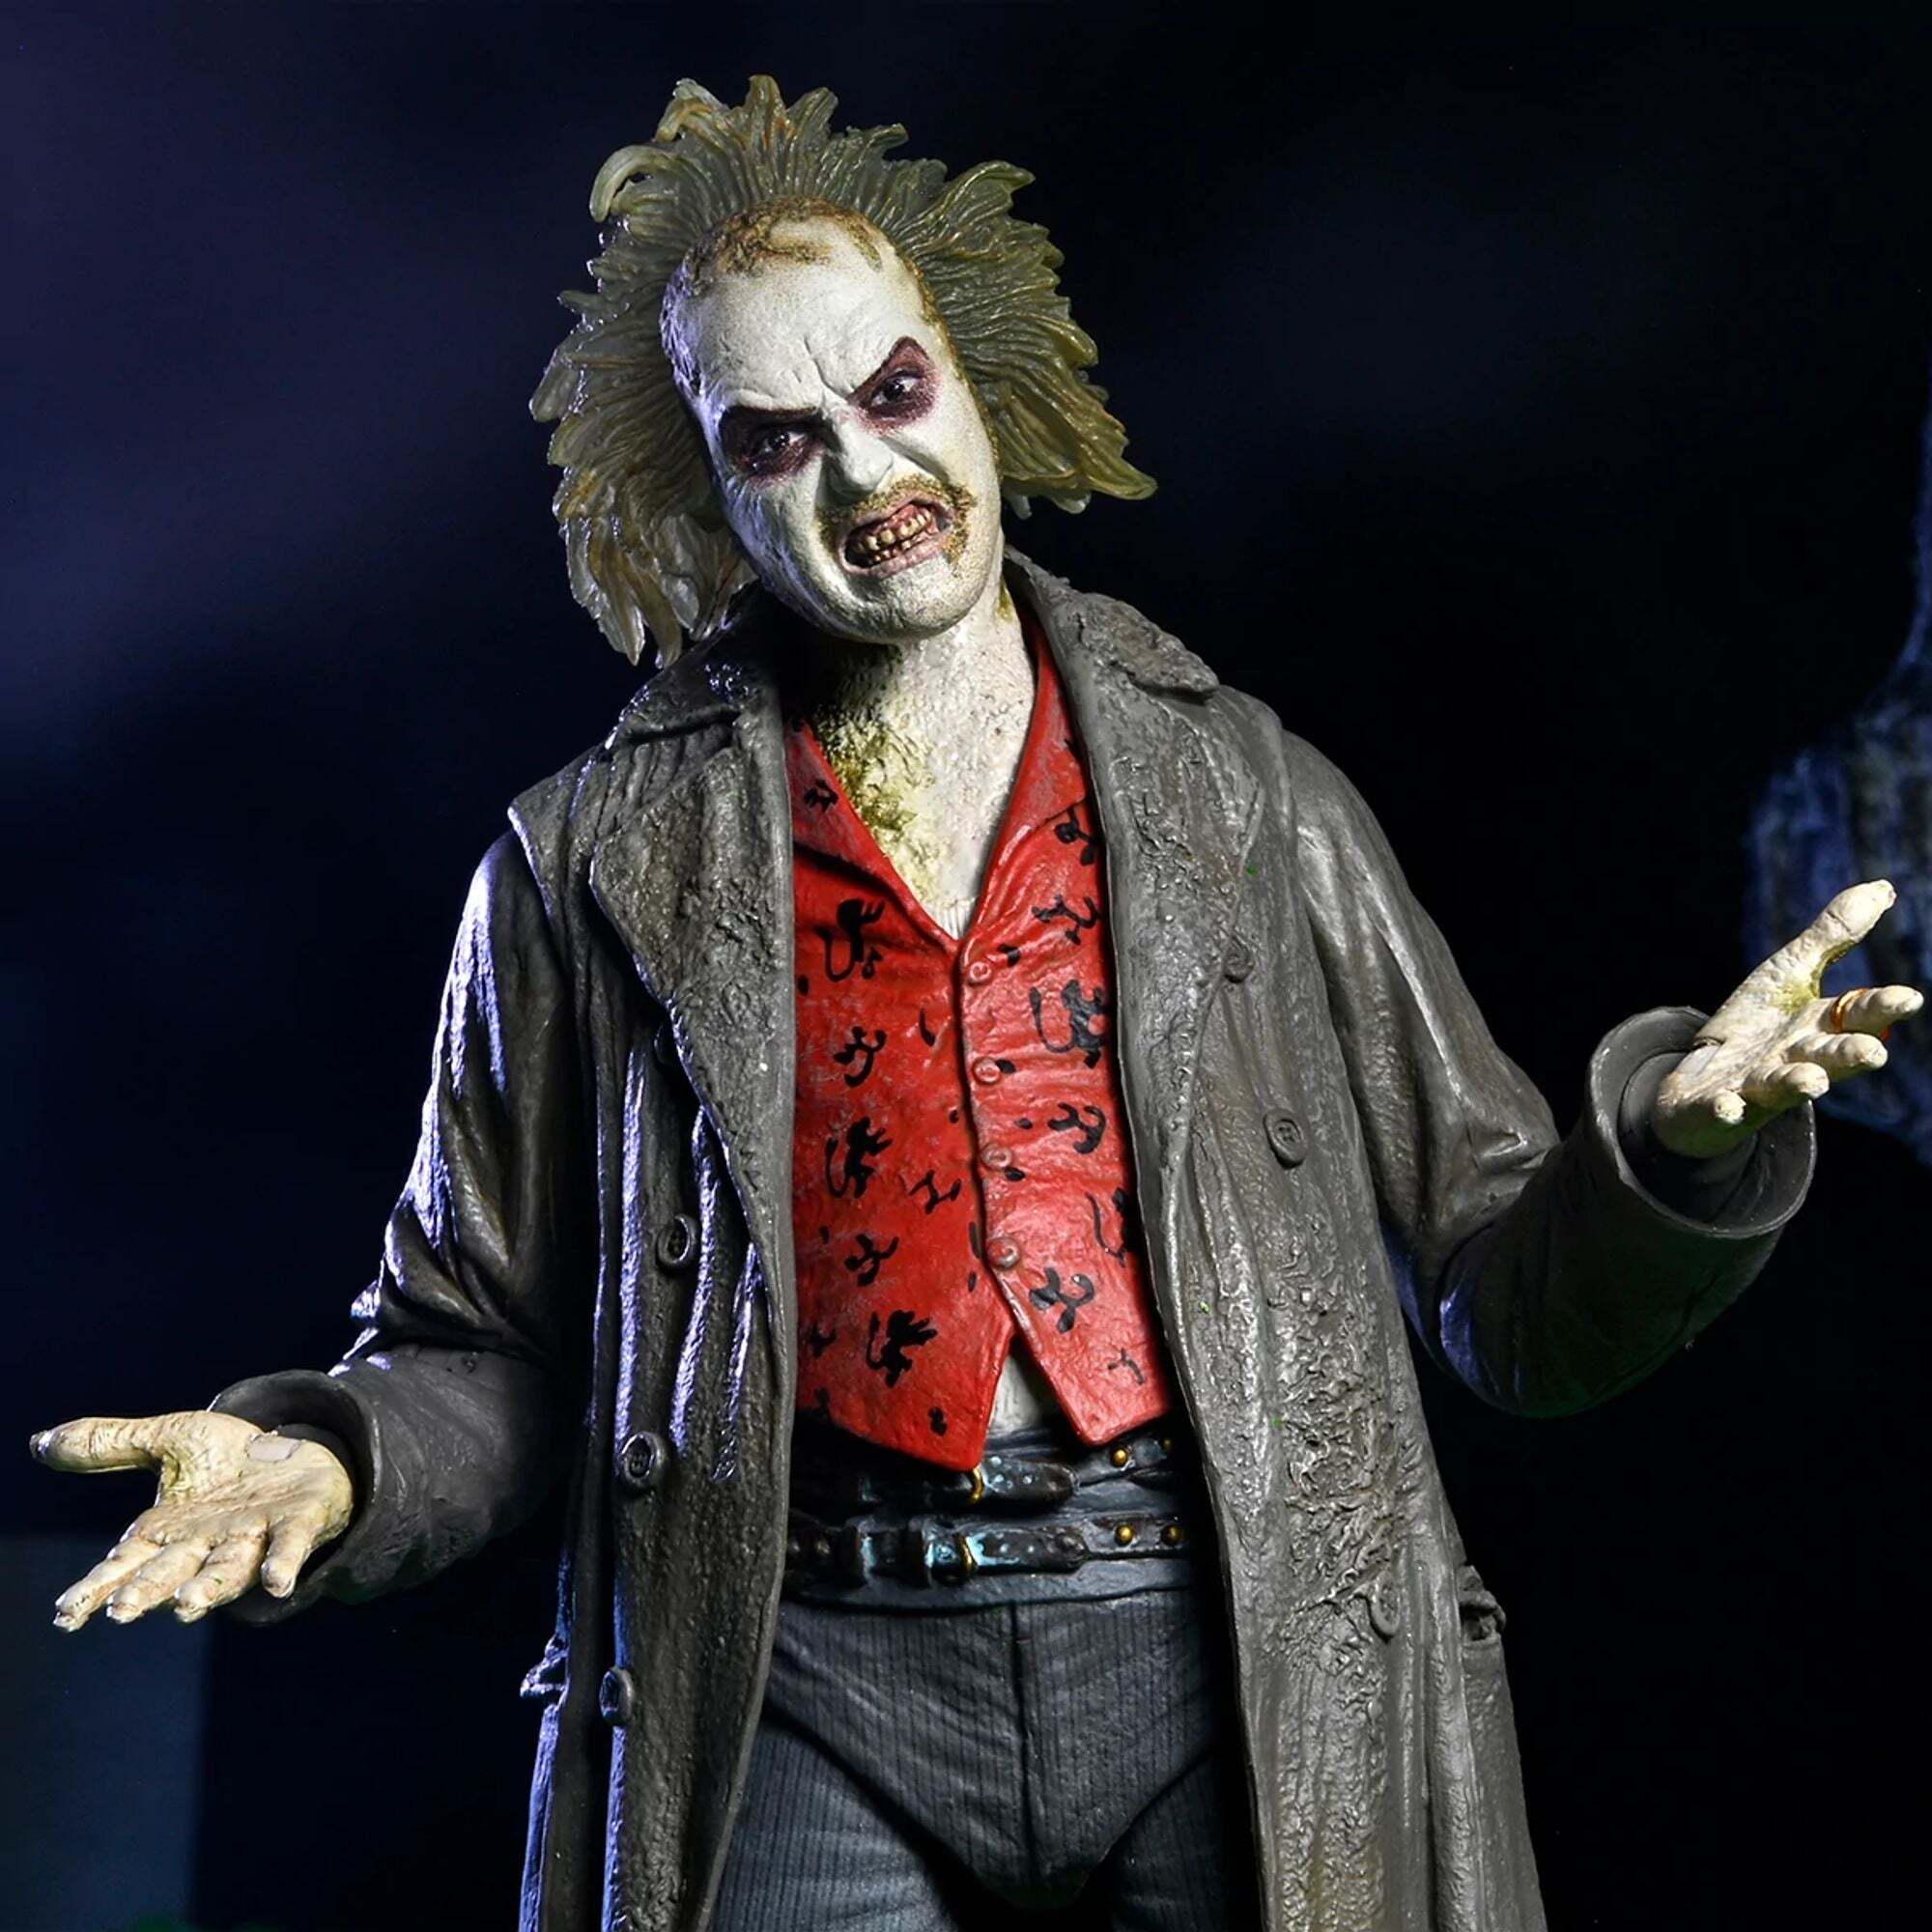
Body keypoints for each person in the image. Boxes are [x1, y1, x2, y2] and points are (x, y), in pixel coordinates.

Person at [31, 78, 1921, 1932]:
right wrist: (327, 1457)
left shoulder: (1248, 796)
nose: (866, 478)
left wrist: (1675, 1146)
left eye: (891, 390)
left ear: (974, 371)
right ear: (712, 491)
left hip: (1225, 1637)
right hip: (797, 1666)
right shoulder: (578, 868)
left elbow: (1503, 1285)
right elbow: (488, 1347)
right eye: (779, 440)